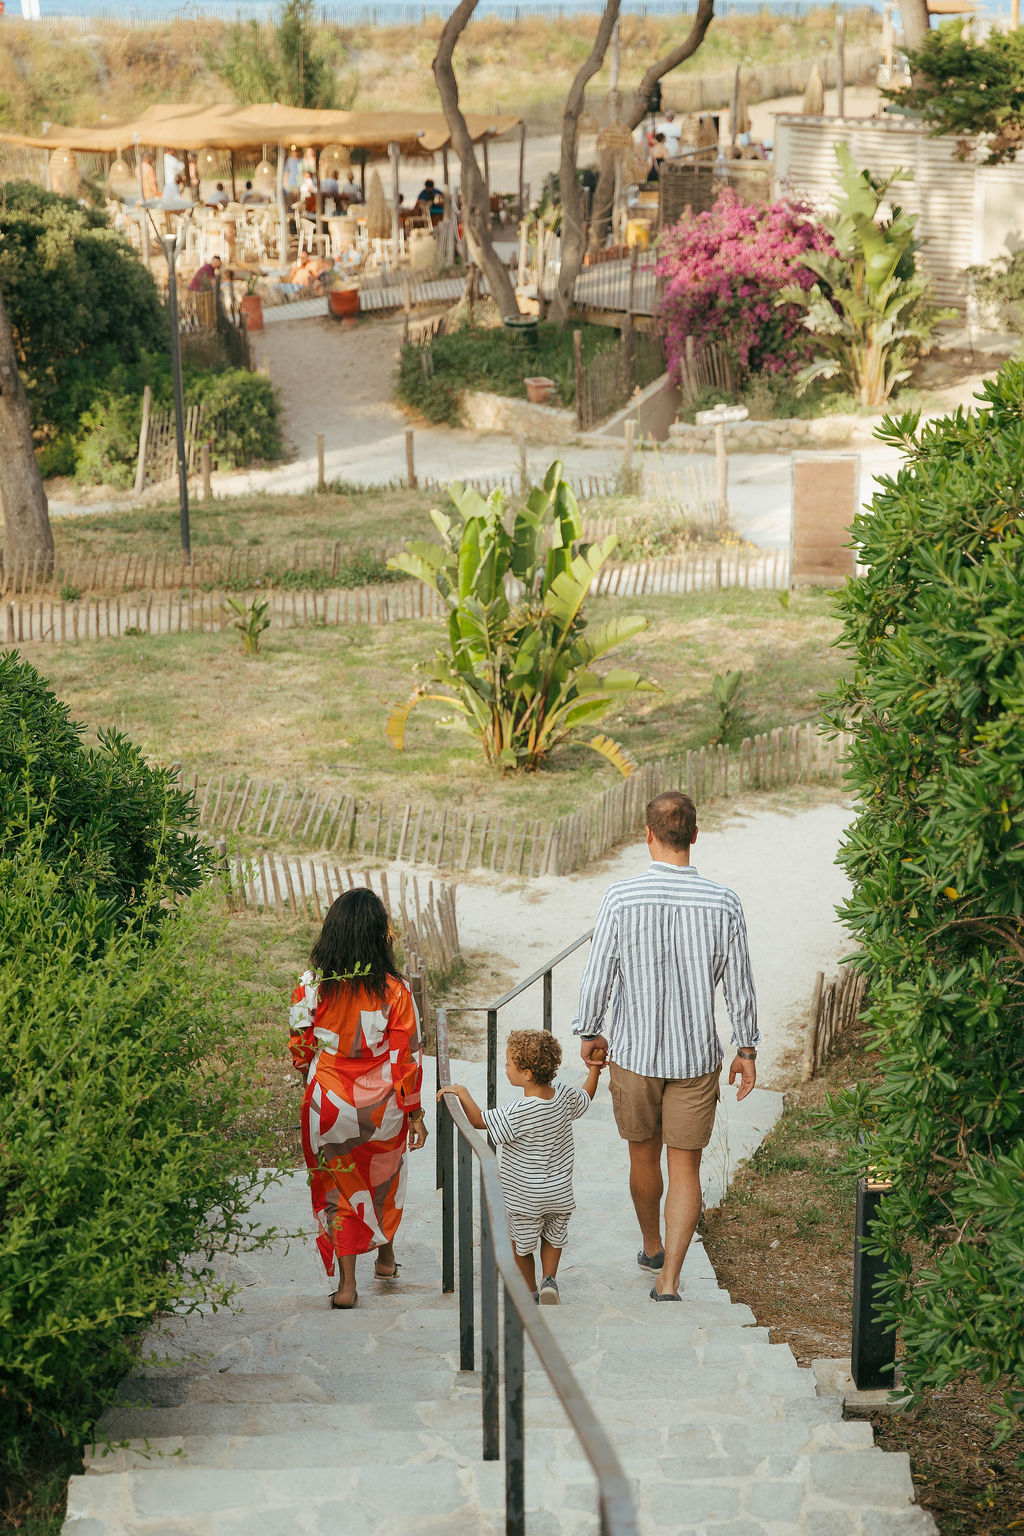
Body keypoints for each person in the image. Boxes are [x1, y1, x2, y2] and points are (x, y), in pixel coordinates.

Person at [572, 791, 758, 1302]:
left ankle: (652, 1245)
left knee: (642, 1157)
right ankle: (669, 1279)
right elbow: (739, 984)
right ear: (695, 836)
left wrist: (590, 1032)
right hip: (696, 1058)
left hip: (633, 1055)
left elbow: (598, 974)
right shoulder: (724, 902)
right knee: (686, 1167)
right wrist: (746, 1049)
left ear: (647, 834)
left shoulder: (620, 897)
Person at [289, 888, 426, 1310]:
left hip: (327, 1102)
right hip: (381, 1105)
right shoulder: (396, 990)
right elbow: (408, 1056)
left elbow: (299, 1045)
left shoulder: (310, 984)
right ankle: (385, 1258)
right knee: (384, 1177)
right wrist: (415, 1112)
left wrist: (317, 1073)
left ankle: (347, 1286)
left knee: (336, 1187)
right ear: (377, 935)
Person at [439, 1030, 604, 1304]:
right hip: (559, 1193)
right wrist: (595, 1069)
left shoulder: (519, 1111)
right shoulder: (563, 1096)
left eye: (508, 1065)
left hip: (524, 1198)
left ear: (526, 1073)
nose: (505, 1069)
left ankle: (529, 1292)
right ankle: (549, 1279)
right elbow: (586, 1096)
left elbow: (480, 1121)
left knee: (521, 1246)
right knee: (553, 1238)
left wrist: (462, 1092)